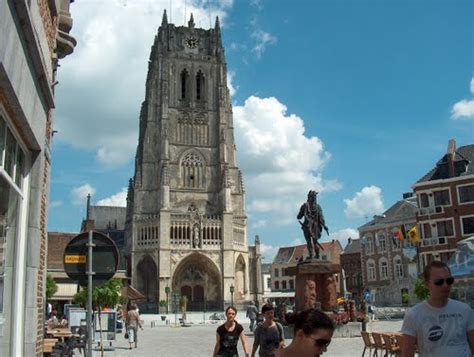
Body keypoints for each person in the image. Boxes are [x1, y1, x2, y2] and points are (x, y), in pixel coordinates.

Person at [401, 261, 474, 357]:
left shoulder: (465, 310)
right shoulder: (414, 315)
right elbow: (407, 353)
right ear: (427, 284)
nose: (445, 285)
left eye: (449, 281)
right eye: (439, 282)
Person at [297, 190, 329, 259]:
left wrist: (300, 212)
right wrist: (324, 225)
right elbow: (321, 218)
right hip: (315, 227)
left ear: (309, 197)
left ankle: (311, 255)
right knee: (315, 242)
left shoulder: (305, 206)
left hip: (307, 226)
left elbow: (299, 216)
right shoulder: (318, 207)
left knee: (309, 241)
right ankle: (317, 256)